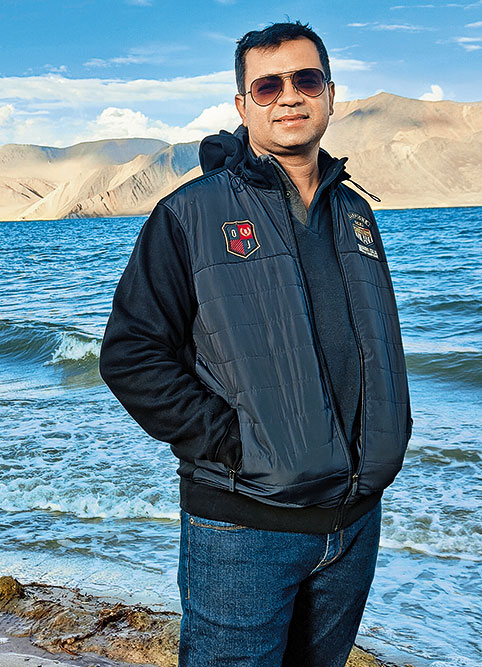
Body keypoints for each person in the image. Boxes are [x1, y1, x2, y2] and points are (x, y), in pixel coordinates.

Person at [99, 20, 412, 666]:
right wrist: (234, 445)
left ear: (331, 95)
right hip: (243, 527)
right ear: (243, 106)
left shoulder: (355, 213)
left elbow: (378, 339)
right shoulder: (190, 213)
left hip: (353, 523)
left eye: (306, 80)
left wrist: (390, 432)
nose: (289, 96)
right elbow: (131, 353)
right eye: (268, 86)